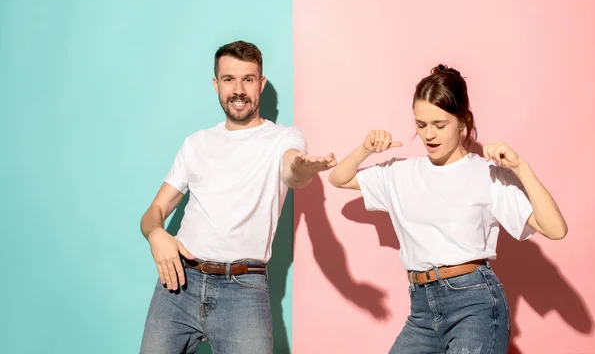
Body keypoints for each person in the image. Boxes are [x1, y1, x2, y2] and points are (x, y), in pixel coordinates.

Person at [328, 64, 567, 353]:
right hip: (421, 310)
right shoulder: (400, 173)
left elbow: (555, 229)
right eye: (421, 124)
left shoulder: (487, 174)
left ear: (463, 121)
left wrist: (521, 168)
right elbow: (339, 178)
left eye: (439, 125)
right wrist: (366, 148)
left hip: (474, 304)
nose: (429, 135)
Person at [139, 41, 337, 354]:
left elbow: (291, 171)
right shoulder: (196, 143)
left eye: (248, 79)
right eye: (229, 79)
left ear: (261, 83)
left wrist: (304, 170)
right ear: (216, 84)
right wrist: (156, 234)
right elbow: (155, 210)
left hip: (243, 290)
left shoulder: (283, 138)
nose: (238, 90)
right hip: (180, 284)